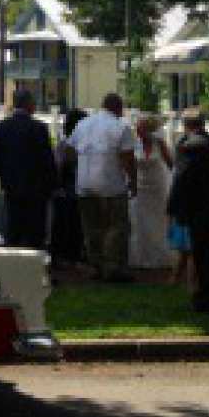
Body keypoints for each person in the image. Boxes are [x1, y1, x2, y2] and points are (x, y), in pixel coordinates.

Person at [65, 92, 138, 282]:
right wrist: (133, 181)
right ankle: (113, 268)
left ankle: (95, 266)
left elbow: (69, 150)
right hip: (111, 183)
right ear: (118, 108)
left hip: (84, 183)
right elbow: (128, 158)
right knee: (116, 227)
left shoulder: (83, 124)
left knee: (91, 227)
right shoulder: (120, 126)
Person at [167, 108, 209, 311]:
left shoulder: (188, 146)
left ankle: (206, 296)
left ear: (186, 125)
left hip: (198, 208)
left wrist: (173, 206)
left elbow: (182, 178)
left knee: (202, 253)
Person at [0, 89, 56, 249]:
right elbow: (47, 160)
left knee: (13, 226)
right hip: (36, 188)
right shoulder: (39, 128)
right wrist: (51, 183)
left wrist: (3, 177)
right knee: (35, 231)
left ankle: (13, 263)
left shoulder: (1, 127)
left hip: (11, 185)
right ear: (29, 104)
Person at [128, 115, 174, 269]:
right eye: (137, 128)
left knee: (159, 220)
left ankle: (160, 256)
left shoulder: (159, 143)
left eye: (140, 128)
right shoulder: (134, 144)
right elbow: (130, 166)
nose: (137, 131)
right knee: (140, 221)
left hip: (158, 185)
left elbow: (170, 163)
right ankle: (142, 257)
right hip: (141, 187)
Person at [50, 109, 87, 268]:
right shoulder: (68, 144)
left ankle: (68, 255)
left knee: (68, 224)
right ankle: (70, 255)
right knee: (72, 224)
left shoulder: (64, 143)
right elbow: (59, 168)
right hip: (70, 187)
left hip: (69, 188)